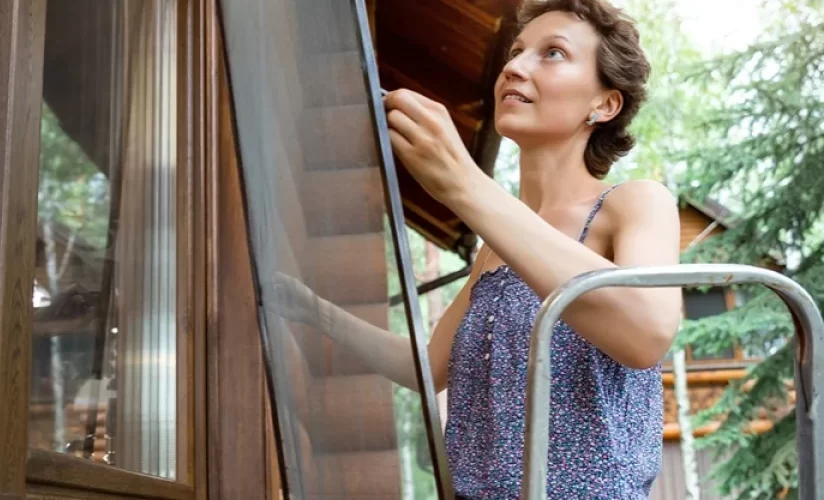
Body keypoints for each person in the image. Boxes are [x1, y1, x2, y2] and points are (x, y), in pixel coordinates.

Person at [272, 0, 681, 497]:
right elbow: (425, 367)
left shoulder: (635, 203)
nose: (514, 67)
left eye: (552, 53)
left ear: (604, 104)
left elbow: (647, 332)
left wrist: (465, 186)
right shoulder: (495, 248)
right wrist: (312, 310)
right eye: (516, 51)